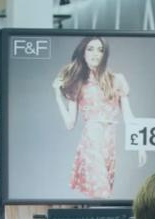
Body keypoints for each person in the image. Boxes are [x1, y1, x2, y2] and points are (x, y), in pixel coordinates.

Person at [52, 36, 146, 199]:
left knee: (101, 196)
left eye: (100, 50)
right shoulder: (77, 83)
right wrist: (57, 97)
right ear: (83, 53)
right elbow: (70, 124)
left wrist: (140, 145)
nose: (95, 54)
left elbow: (129, 117)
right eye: (90, 49)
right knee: (101, 192)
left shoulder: (117, 80)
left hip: (109, 145)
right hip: (90, 143)